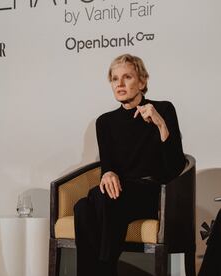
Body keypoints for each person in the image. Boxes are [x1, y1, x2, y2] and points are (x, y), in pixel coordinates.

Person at [73, 54, 186, 276]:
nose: (120, 84)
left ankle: (104, 270)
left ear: (142, 82)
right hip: (120, 194)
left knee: (101, 197)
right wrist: (107, 174)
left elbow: (174, 167)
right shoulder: (104, 122)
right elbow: (108, 165)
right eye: (115, 79)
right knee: (82, 207)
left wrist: (161, 124)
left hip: (153, 193)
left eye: (127, 77)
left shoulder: (163, 109)